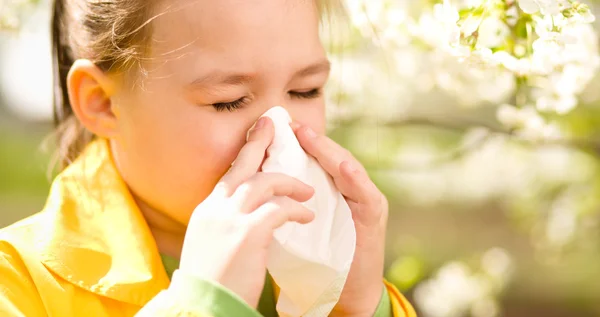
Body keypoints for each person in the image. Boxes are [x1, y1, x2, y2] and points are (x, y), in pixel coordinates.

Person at [0, 0, 417, 316]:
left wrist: (354, 304)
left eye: (305, 91)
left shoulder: (309, 256)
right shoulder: (16, 282)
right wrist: (203, 303)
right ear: (104, 104)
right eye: (229, 102)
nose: (279, 136)